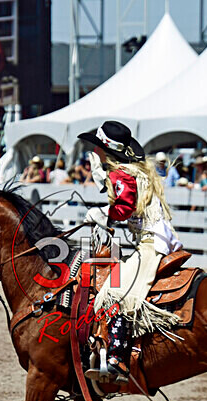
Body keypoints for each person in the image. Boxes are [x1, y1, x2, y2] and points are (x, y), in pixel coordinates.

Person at [76, 121, 182, 382]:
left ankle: (118, 360)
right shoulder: (132, 172)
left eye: (98, 148)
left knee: (117, 290)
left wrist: (101, 214)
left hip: (151, 241)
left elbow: (123, 208)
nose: (94, 152)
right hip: (154, 237)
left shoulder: (121, 173)